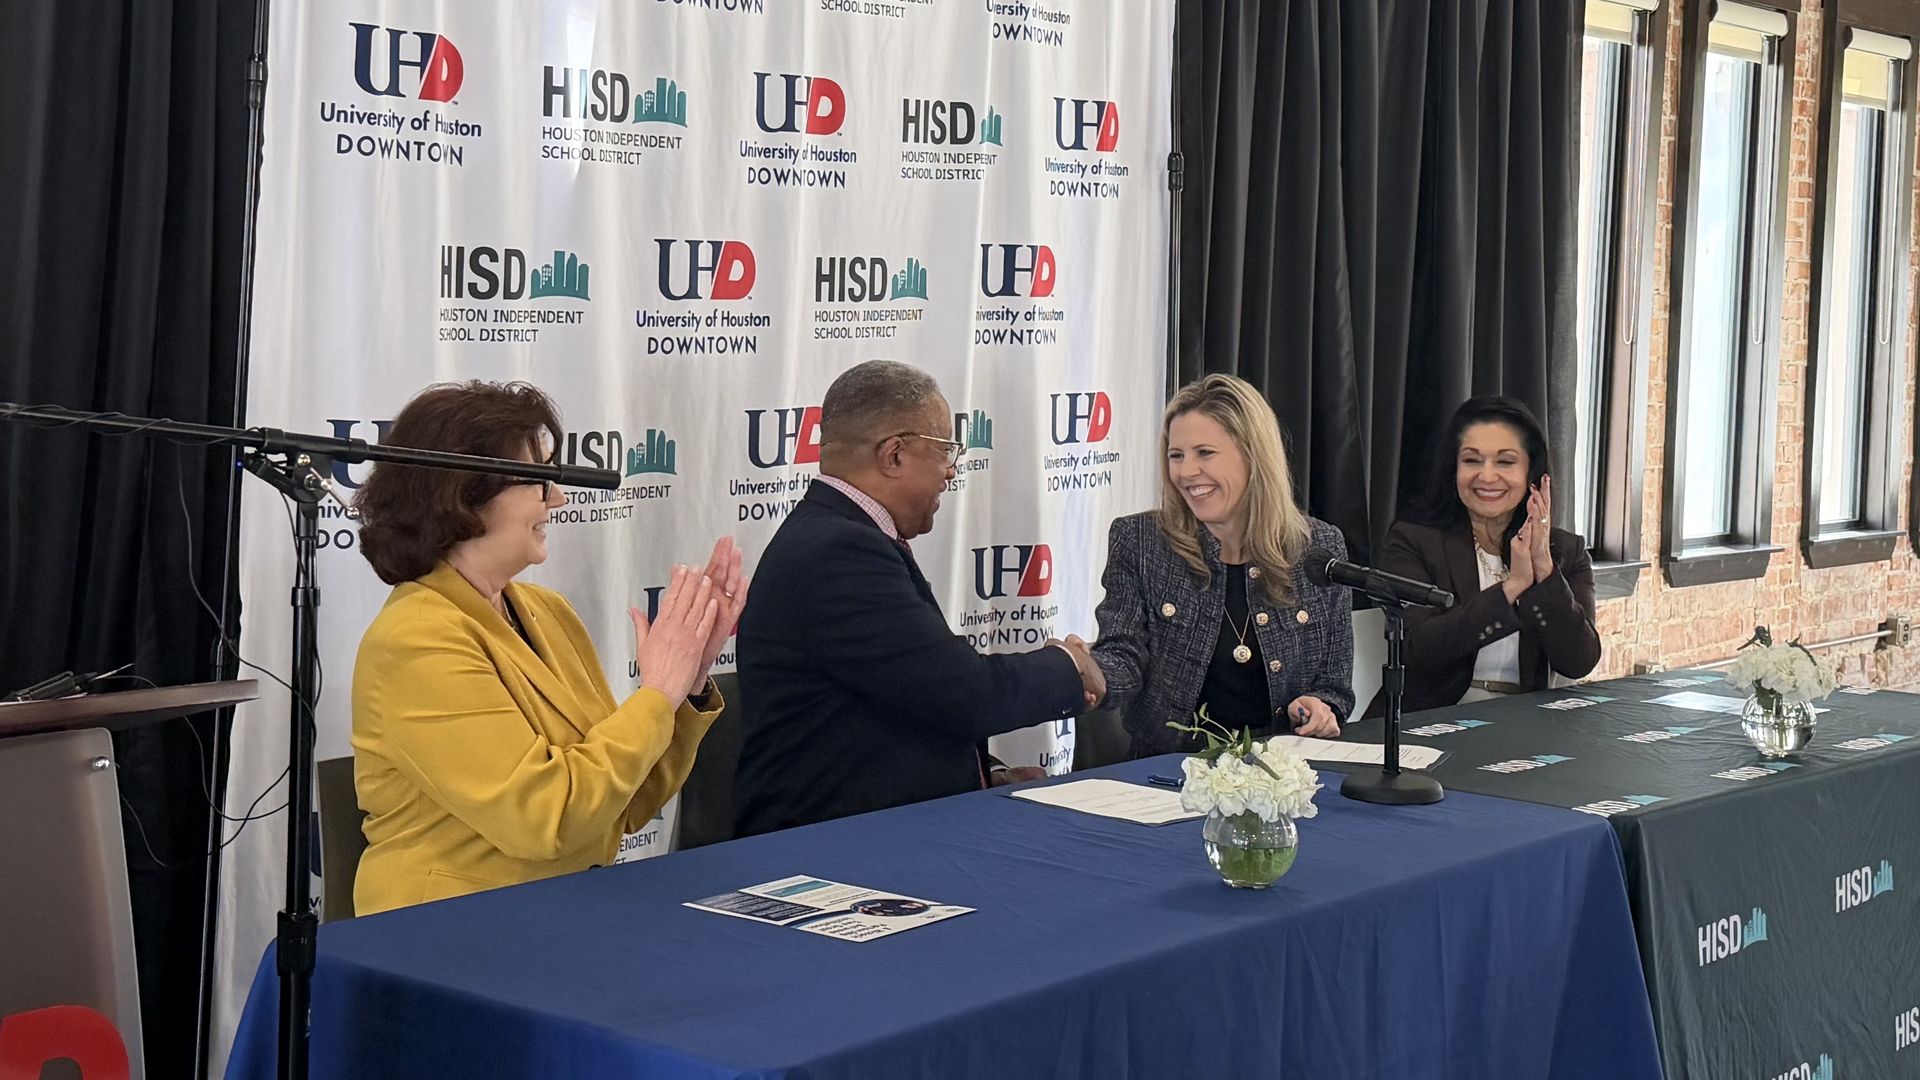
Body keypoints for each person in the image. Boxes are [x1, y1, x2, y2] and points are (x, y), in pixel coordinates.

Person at [348, 381, 747, 914]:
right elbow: (547, 819)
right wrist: (657, 694)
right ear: (466, 493)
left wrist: (688, 680)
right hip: (452, 931)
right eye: (541, 480)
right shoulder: (417, 639)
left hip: (562, 910)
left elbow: (620, 805)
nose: (558, 498)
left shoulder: (545, 610)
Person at [732, 360, 1105, 836]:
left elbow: (899, 699)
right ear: (894, 455)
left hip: (866, 834)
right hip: (828, 854)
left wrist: (986, 775)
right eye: (946, 449)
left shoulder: (840, 535)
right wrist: (1067, 665)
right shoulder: (839, 551)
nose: (951, 471)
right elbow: (963, 693)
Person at [1091, 374, 1354, 757]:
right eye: (1176, 455)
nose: (1185, 472)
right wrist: (1089, 673)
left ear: (1253, 456)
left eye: (1205, 453)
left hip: (1283, 774)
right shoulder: (1141, 540)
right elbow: (1123, 655)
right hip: (1168, 770)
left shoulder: (1317, 547)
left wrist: (1318, 706)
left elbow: (1334, 683)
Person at [1368, 395, 1600, 714]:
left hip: (1526, 721)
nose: (1487, 476)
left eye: (1505, 461)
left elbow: (1579, 662)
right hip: (1428, 721)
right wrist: (1512, 588)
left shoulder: (1566, 551)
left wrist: (1543, 569)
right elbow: (1419, 649)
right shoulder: (1412, 539)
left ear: (1533, 473)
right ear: (1454, 468)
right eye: (1472, 460)